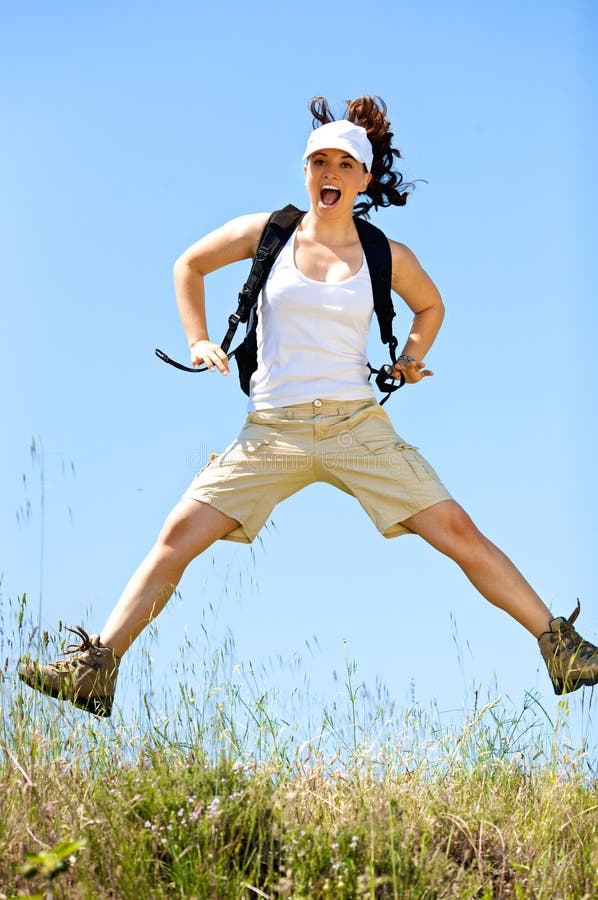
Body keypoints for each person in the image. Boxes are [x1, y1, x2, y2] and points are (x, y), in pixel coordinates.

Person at [19, 96, 598, 717]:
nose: (330, 172)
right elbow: (189, 265)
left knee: (458, 531)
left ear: (364, 179)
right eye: (318, 161)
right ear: (305, 172)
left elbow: (432, 306)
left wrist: (409, 355)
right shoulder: (266, 234)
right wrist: (198, 338)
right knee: (178, 534)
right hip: (272, 431)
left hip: (356, 427)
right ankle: (96, 668)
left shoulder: (385, 255)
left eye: (344, 164)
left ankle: (559, 646)